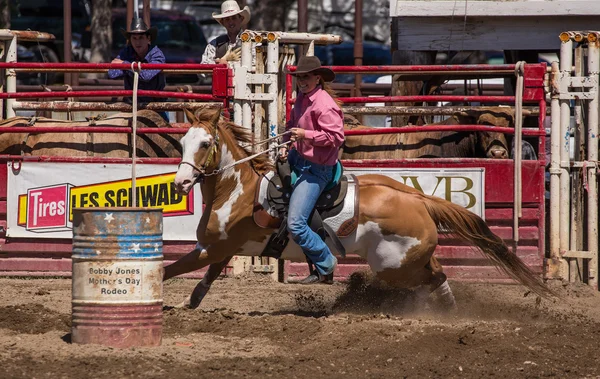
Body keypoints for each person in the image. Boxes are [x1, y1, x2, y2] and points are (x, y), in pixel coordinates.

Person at [280, 56, 345, 284]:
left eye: (306, 77)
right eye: (299, 77)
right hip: (300, 159)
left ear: (318, 77)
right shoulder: (302, 98)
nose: (302, 81)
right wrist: (285, 142)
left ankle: (326, 262)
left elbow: (336, 137)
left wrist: (305, 135)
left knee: (296, 223)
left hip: (317, 169)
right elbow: (292, 126)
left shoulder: (324, 104)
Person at [108, 17, 168, 121]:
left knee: (162, 134)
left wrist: (125, 65)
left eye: (141, 37)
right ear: (130, 40)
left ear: (148, 39)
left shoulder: (157, 54)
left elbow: (146, 76)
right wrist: (131, 67)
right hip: (133, 106)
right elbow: (112, 73)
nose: (137, 42)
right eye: (134, 38)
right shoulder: (127, 52)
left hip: (155, 106)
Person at [201, 0, 250, 65]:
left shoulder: (251, 41)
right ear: (222, 22)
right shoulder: (214, 45)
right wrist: (223, 61)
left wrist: (227, 64)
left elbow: (256, 66)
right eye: (227, 19)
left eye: (234, 18)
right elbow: (203, 71)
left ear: (241, 19)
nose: (230, 22)